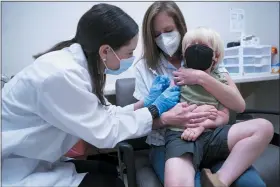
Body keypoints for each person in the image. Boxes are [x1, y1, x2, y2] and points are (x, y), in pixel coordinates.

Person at [2, 3, 210, 187]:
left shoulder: (78, 67)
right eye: (129, 53)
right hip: (17, 169)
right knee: (112, 181)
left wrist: (145, 104)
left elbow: (104, 114)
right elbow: (105, 132)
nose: (131, 58)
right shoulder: (61, 75)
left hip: (35, 159)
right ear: (105, 51)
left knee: (110, 171)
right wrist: (158, 114)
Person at [133, 1, 273, 187]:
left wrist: (200, 77)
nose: (163, 38)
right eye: (157, 34)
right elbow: (140, 119)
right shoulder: (144, 68)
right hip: (172, 140)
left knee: (252, 184)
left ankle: (221, 179)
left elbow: (238, 106)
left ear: (180, 27)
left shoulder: (207, 55)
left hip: (213, 136)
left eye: (168, 31)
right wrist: (169, 118)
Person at [165, 27, 271, 187]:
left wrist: (206, 123)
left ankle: (220, 180)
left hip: (213, 135)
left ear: (216, 56)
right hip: (182, 135)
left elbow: (225, 116)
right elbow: (167, 108)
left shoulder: (220, 78)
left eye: (202, 45)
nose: (196, 48)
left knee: (264, 127)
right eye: (190, 45)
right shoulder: (179, 76)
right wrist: (189, 114)